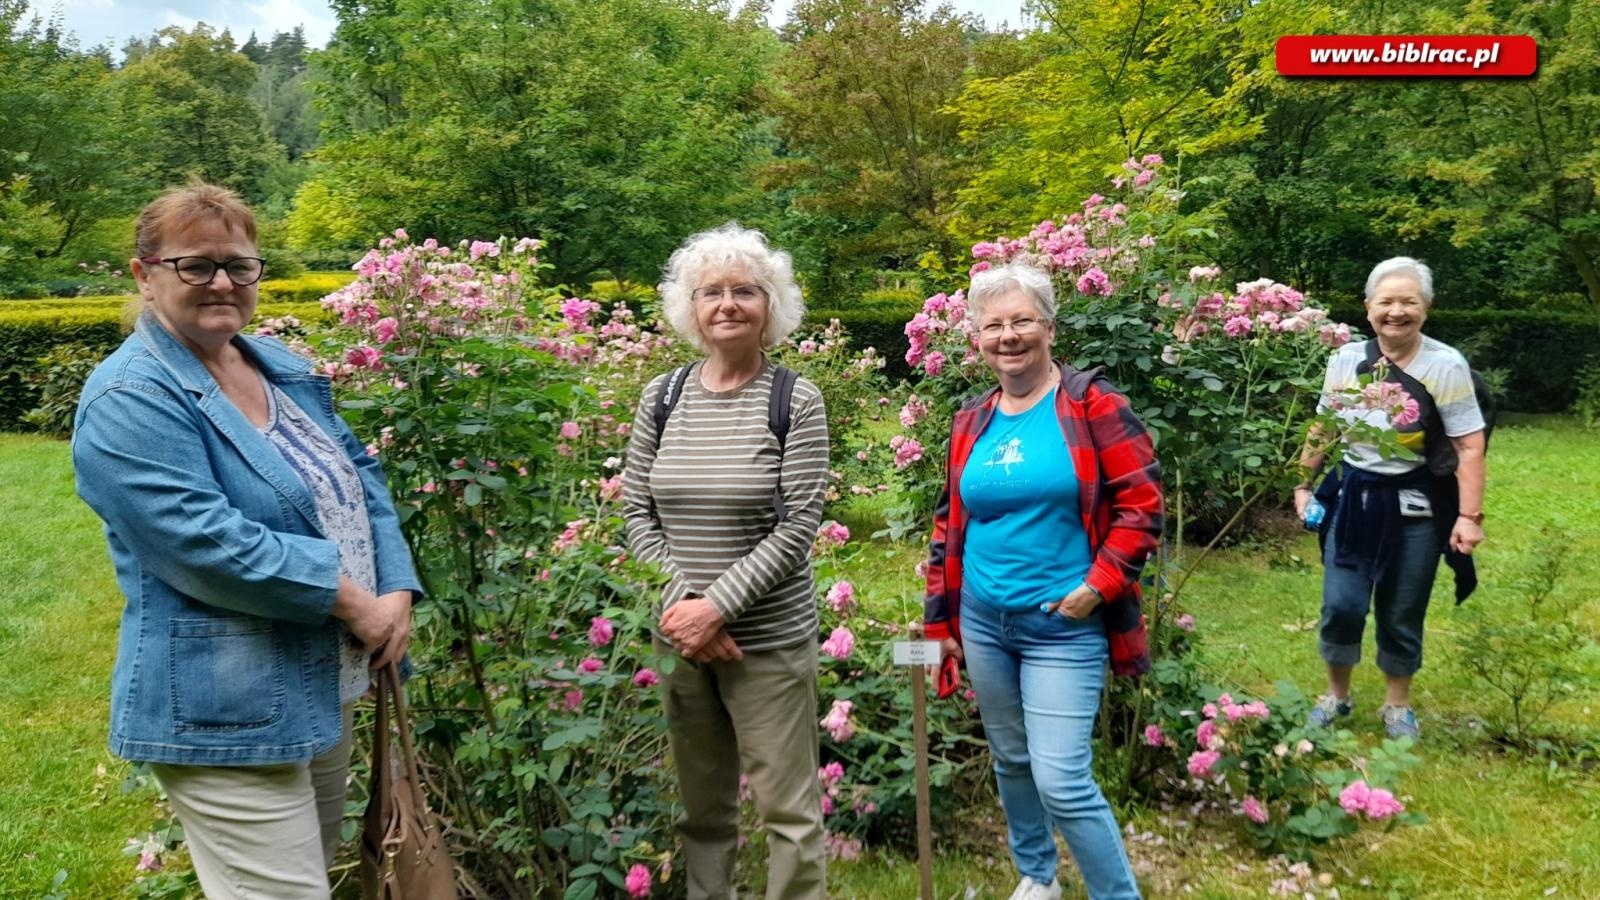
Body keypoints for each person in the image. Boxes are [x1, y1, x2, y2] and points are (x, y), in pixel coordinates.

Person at [72, 181, 421, 899]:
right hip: (227, 707)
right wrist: (354, 603)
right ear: (145, 275)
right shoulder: (129, 396)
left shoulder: (274, 366)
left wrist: (396, 586)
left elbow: (360, 474)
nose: (223, 283)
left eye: (239, 264)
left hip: (320, 685)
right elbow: (203, 542)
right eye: (196, 265)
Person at [922, 263, 1160, 900]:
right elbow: (949, 525)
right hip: (983, 620)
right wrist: (940, 624)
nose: (1008, 336)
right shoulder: (972, 420)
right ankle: (1037, 875)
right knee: (1011, 759)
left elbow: (1142, 505)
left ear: (1050, 328)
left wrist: (1099, 585)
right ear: (977, 339)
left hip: (1064, 624)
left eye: (1022, 321)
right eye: (993, 325)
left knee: (1061, 778)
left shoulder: (1092, 406)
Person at [621, 223, 829, 900]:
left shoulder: (793, 399)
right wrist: (685, 608)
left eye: (745, 290)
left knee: (789, 814)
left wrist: (716, 608)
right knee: (703, 813)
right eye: (711, 291)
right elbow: (636, 511)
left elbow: (798, 525)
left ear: (771, 306)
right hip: (681, 639)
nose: (728, 304)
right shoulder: (662, 396)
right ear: (691, 307)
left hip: (766, 645)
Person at [1294, 256, 1486, 740]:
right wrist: (1300, 485)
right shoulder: (1346, 360)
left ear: (1427, 308)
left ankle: (1397, 706)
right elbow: (1325, 426)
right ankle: (1336, 695)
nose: (1396, 311)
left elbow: (1468, 445)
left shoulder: (1445, 365)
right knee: (1341, 604)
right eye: (1386, 301)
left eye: (1409, 302)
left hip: (1418, 505)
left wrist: (1468, 516)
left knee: (1403, 609)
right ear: (1368, 307)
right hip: (1354, 501)